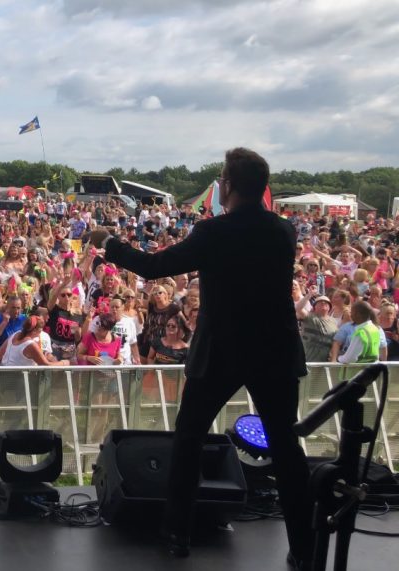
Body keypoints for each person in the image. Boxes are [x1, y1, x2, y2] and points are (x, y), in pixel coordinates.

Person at [88, 148, 312, 567]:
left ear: (227, 185)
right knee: (286, 448)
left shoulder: (213, 233)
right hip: (274, 349)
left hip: (221, 350)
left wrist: (110, 244)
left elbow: (154, 267)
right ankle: (305, 547)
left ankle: (178, 534)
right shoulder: (284, 232)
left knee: (189, 437)